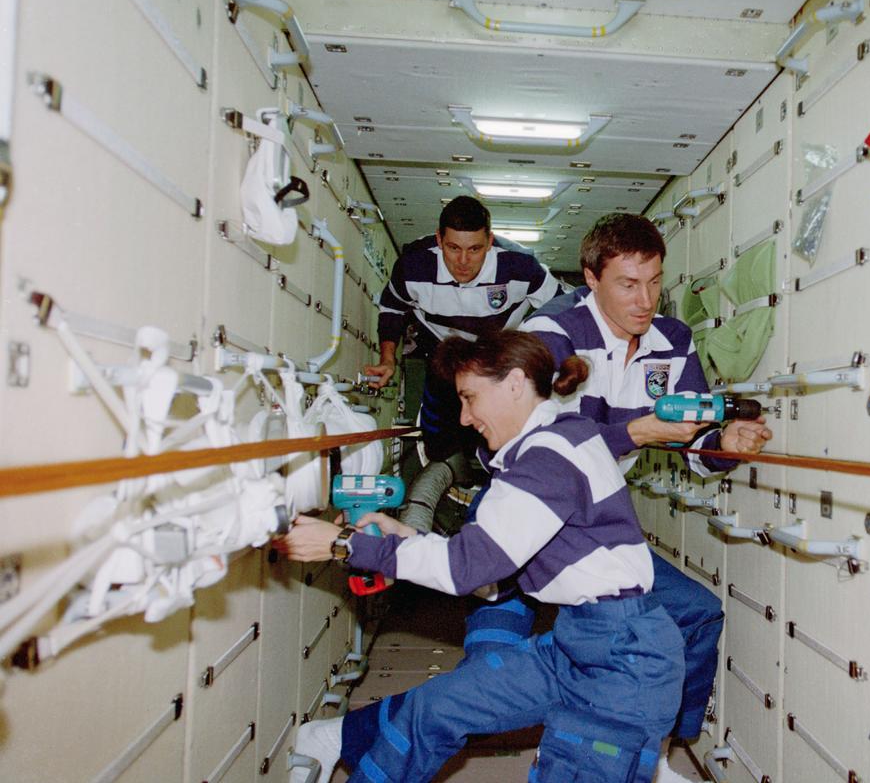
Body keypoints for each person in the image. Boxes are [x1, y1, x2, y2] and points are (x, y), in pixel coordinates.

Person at [322, 214, 773, 782]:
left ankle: (654, 753)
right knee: (488, 672)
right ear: (590, 278)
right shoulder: (551, 333)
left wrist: (721, 442)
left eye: (655, 282)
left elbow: (690, 434)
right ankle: (346, 735)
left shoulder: (673, 340)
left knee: (697, 613)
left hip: (592, 514)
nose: (646, 300)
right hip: (520, 498)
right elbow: (555, 437)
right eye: (628, 285)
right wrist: (639, 430)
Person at [278, 331, 684, 783]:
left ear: (514, 383)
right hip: (577, 640)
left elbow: (467, 569)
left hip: (624, 659)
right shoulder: (559, 437)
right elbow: (492, 573)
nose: (466, 418)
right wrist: (409, 536)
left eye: (470, 398)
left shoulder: (545, 460)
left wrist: (345, 546)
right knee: (435, 708)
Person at [365, 195, 562, 464]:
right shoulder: (413, 267)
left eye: (474, 249)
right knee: (440, 427)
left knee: (493, 415)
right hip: (442, 346)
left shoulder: (520, 266)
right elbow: (392, 309)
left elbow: (561, 309)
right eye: (453, 248)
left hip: (496, 348)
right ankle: (445, 464)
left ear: (490, 242)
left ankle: (495, 466)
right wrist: (387, 359)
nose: (463, 261)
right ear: (438, 240)